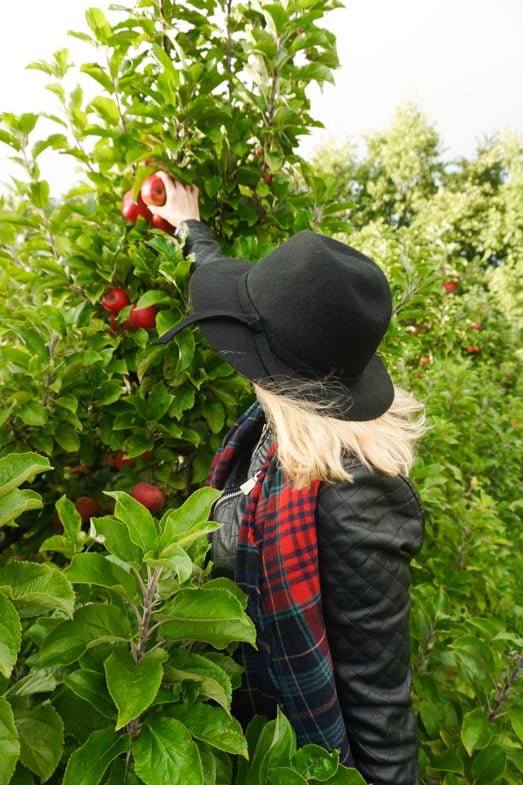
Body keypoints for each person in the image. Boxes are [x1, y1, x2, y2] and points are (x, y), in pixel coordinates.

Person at [149, 173, 426, 785]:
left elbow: (380, 708)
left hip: (291, 755)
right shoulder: (284, 424)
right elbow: (252, 304)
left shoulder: (358, 501)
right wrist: (191, 230)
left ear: (282, 374)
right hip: (240, 716)